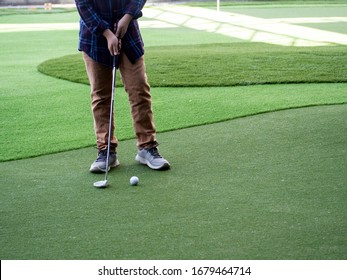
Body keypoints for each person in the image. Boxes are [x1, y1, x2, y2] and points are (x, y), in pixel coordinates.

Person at [75, 0, 170, 173]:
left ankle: (146, 147)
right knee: (101, 95)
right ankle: (106, 151)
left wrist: (126, 19)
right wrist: (107, 33)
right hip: (95, 36)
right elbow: (83, 4)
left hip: (128, 33)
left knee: (139, 90)